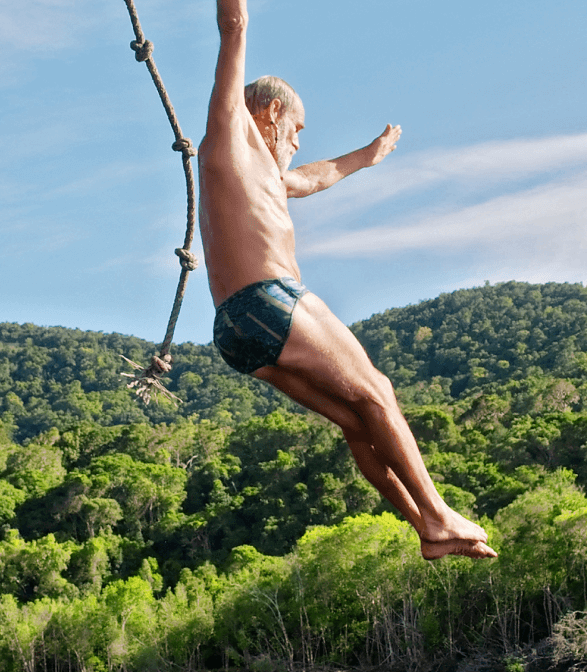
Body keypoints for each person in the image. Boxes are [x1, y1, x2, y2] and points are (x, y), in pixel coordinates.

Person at [198, 0, 496, 560]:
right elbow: (233, 25)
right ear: (270, 112)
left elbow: (311, 178)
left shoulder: (259, 173)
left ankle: (426, 529)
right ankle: (438, 511)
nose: (297, 142)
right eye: (297, 128)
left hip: (236, 332)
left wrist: (368, 155)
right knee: (378, 390)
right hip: (269, 299)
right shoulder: (230, 133)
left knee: (359, 420)